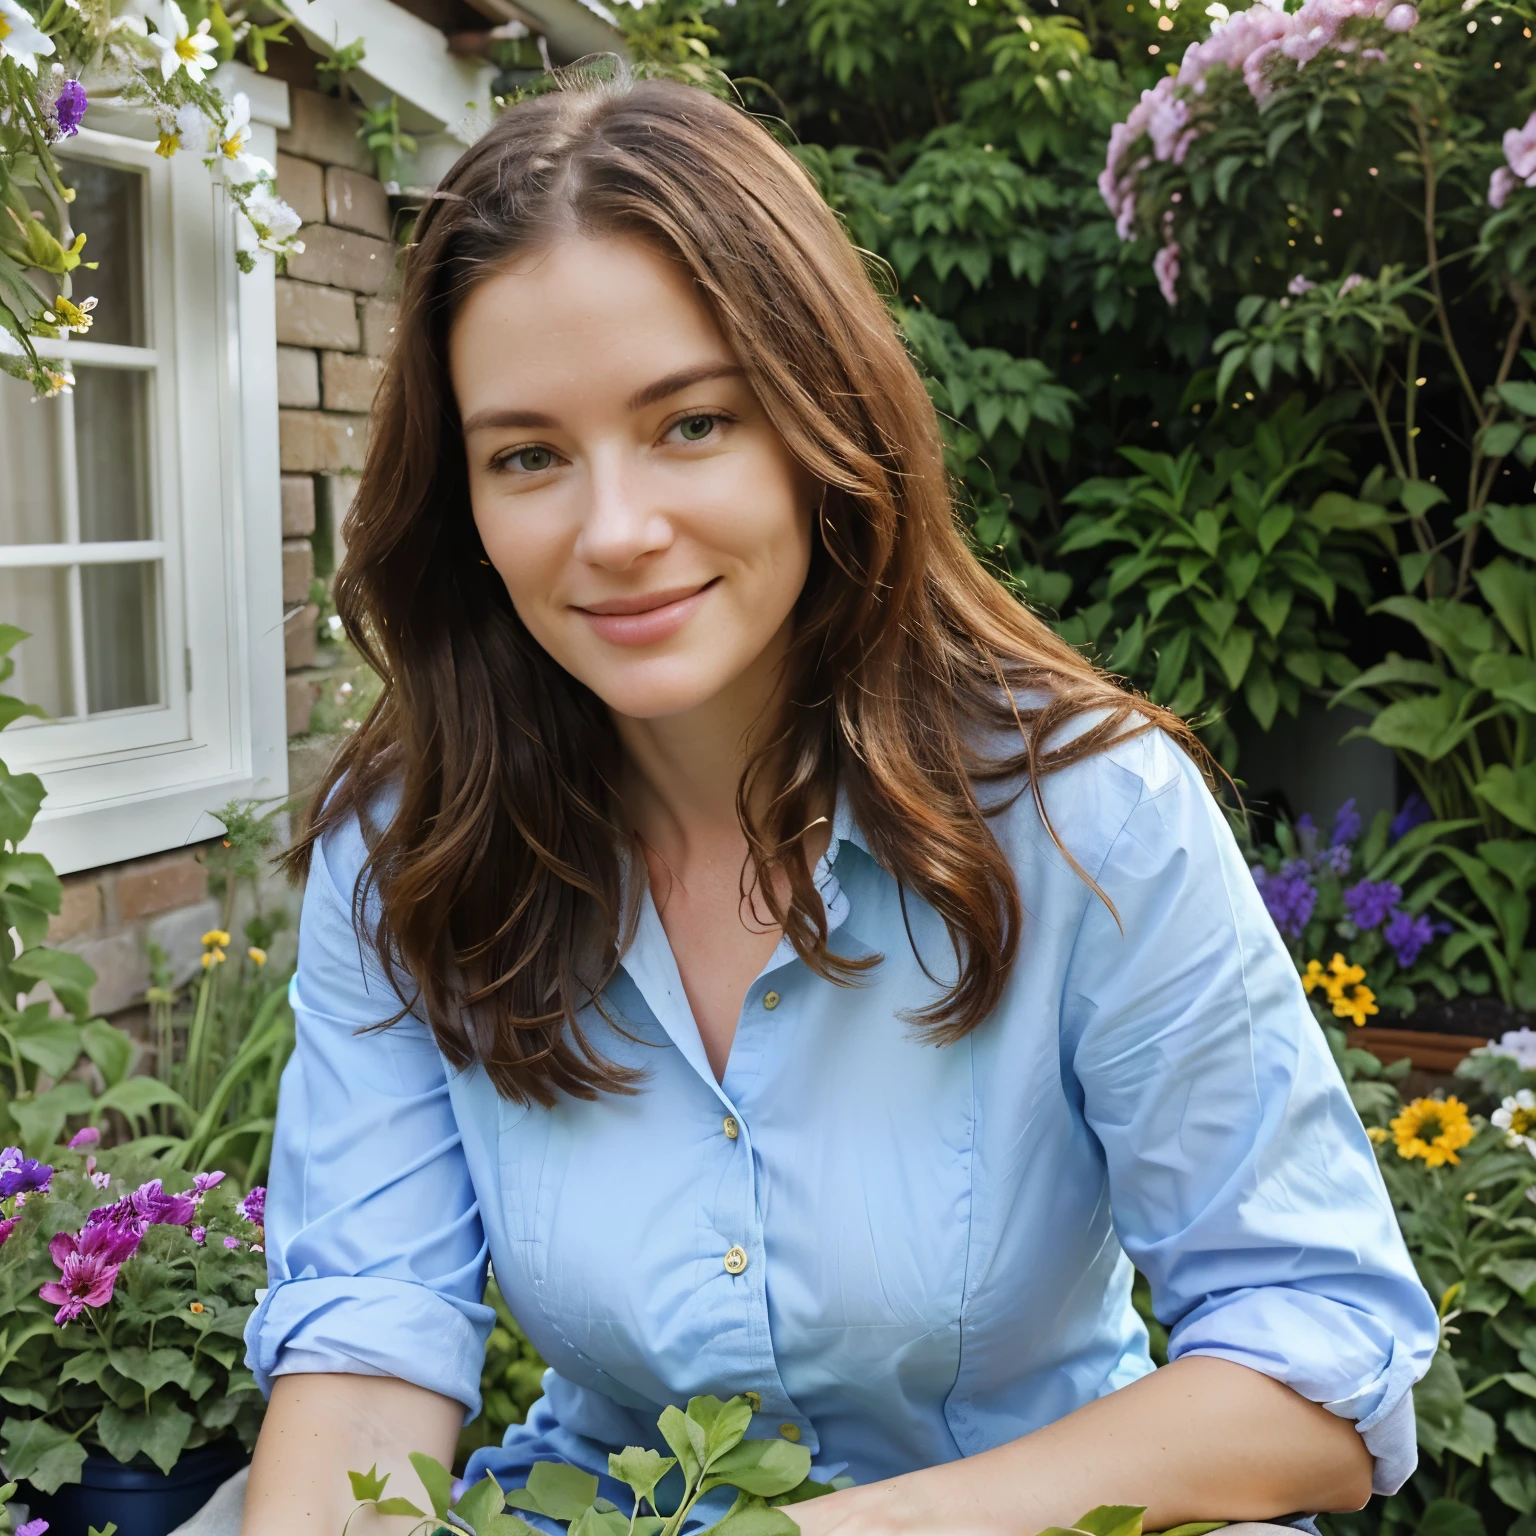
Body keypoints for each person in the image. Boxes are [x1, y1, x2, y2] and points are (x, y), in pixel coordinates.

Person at [240, 67, 1438, 1536]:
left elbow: (1315, 1370)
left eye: (693, 424)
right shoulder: (407, 857)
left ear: (825, 424)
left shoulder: (1092, 819)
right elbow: (369, 1337)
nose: (615, 531)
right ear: (465, 506)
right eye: (530, 456)